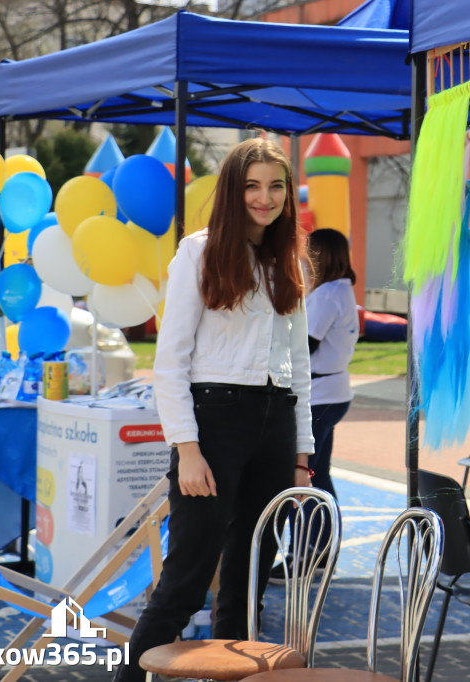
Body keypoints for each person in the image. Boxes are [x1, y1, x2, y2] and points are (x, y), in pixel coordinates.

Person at [114, 137, 314, 682]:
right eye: (252, 186)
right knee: (186, 580)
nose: (264, 197)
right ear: (232, 190)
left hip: (274, 425)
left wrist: (301, 456)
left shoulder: (288, 260)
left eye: (275, 186)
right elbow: (170, 361)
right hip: (214, 423)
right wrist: (187, 450)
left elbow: (297, 367)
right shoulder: (197, 252)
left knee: (250, 583)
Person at [271, 228, 358, 581]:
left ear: (319, 257)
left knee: (301, 476)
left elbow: (303, 347)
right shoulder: (342, 290)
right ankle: (321, 551)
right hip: (334, 393)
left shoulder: (327, 295)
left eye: (307, 254)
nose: (302, 260)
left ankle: (303, 555)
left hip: (320, 396)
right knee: (319, 475)